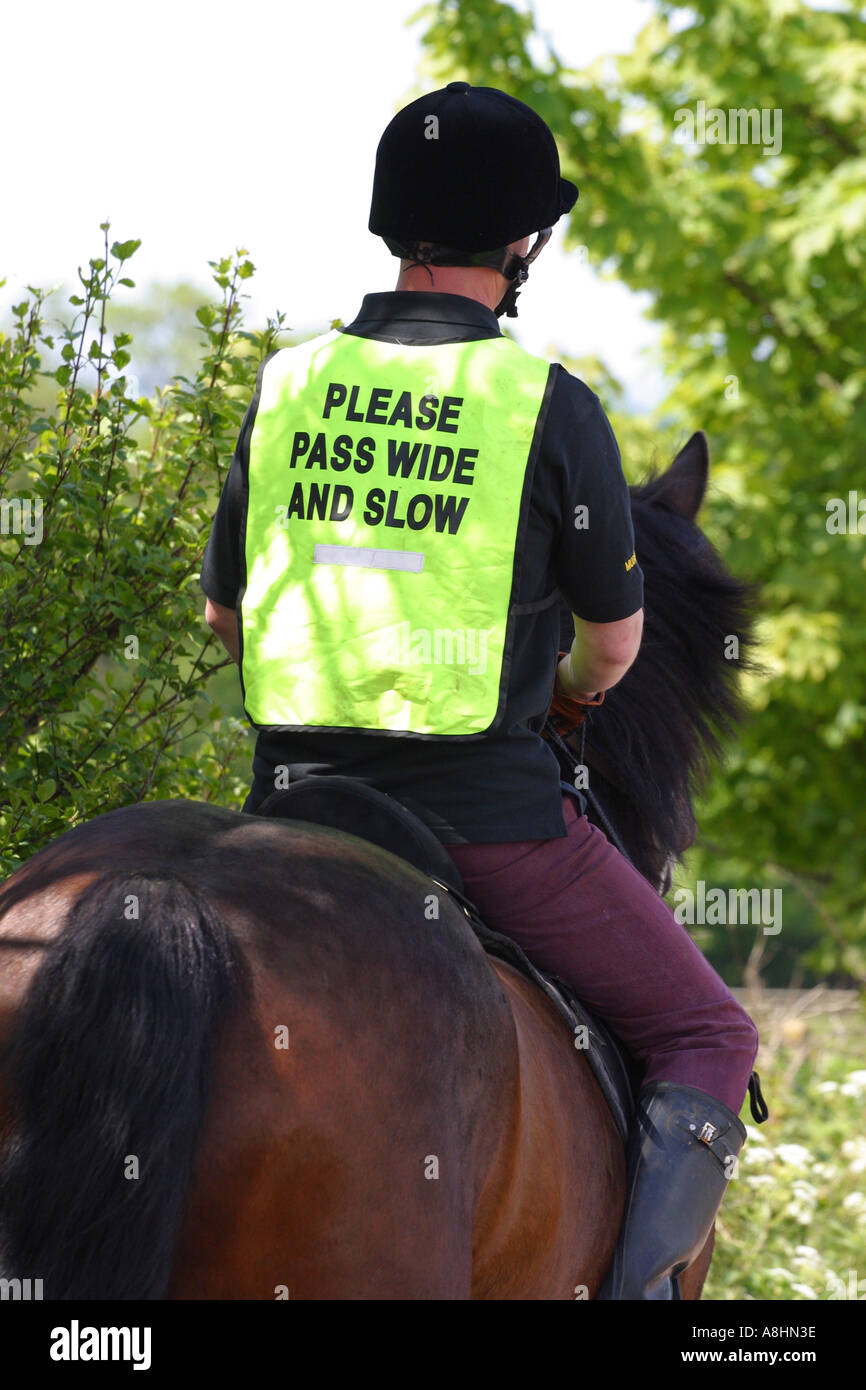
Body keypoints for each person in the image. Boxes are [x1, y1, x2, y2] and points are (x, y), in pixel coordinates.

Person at [200, 82, 759, 1299]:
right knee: (711, 1030)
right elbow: (613, 655)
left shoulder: (288, 387)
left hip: (287, 804)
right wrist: (553, 696)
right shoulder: (544, 407)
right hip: (486, 820)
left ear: (390, 226)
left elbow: (223, 617)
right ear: (522, 245)